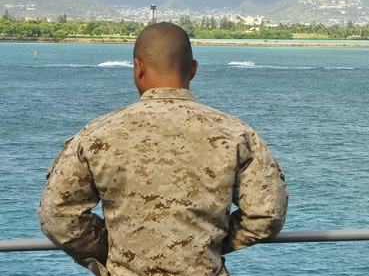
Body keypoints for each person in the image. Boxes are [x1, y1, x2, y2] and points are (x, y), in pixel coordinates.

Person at [39, 22, 288, 276]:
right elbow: (267, 215)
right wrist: (206, 244)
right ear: (193, 70)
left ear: (139, 68)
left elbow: (58, 216)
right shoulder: (236, 134)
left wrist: (117, 249)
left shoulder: (96, 135)